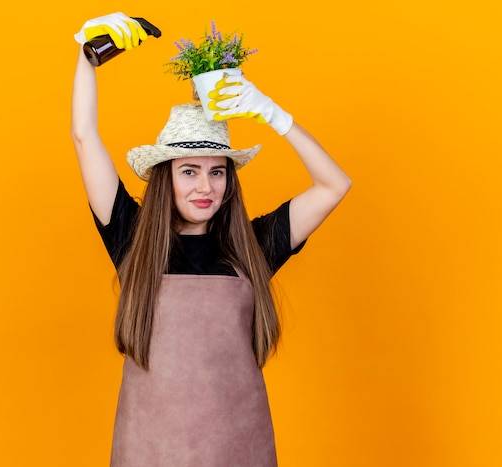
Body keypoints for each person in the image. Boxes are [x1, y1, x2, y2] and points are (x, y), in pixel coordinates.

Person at [71, 12, 352, 467]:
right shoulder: (132, 239)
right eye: (189, 171)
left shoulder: (251, 247)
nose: (206, 187)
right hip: (148, 453)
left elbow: (333, 186)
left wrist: (272, 115)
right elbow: (84, 137)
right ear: (166, 178)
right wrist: (87, 56)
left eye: (217, 172)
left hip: (240, 451)